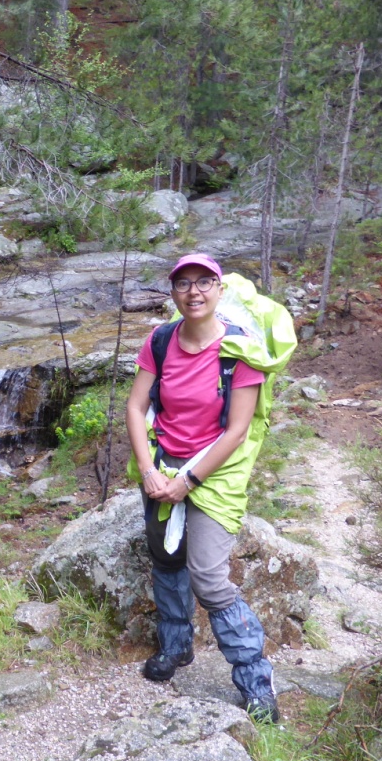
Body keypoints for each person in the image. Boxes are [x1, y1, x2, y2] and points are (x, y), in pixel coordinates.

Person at [125, 253, 280, 723]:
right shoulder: (160, 340)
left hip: (216, 470)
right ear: (173, 292)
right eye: (183, 283)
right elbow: (135, 407)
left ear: (219, 289)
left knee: (209, 578)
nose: (194, 291)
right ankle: (176, 646)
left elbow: (237, 430)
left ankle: (255, 680)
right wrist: (149, 471)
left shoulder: (240, 349)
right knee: (166, 558)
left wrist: (188, 481)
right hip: (163, 464)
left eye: (204, 282)